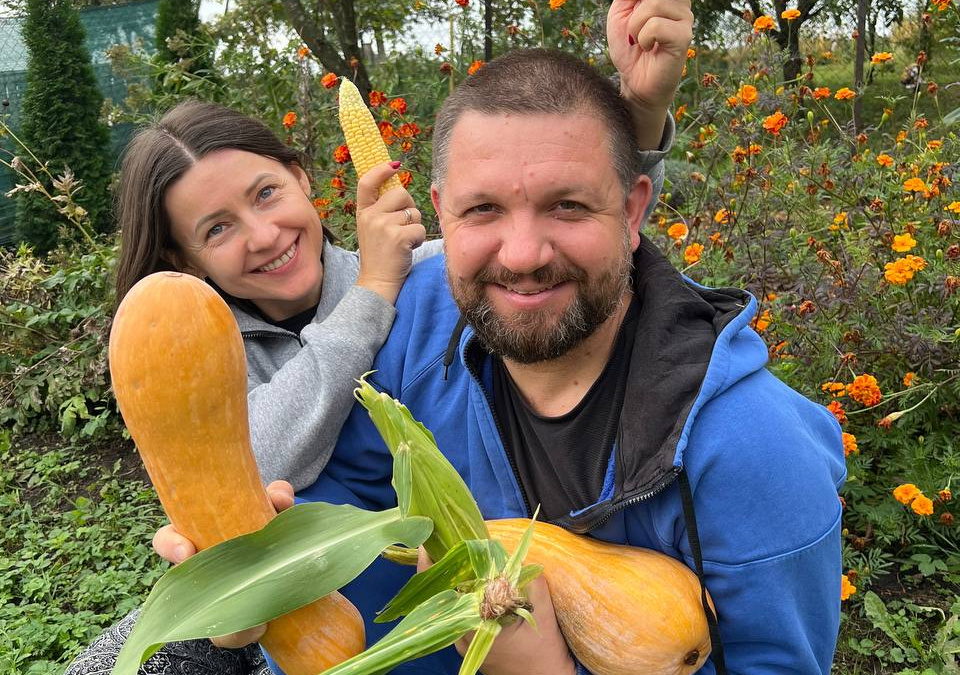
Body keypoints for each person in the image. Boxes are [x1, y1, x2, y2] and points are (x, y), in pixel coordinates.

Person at [67, 0, 691, 671]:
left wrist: (642, 113)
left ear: (302, 178)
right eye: (216, 229)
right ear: (184, 260)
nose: (264, 235)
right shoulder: (196, 348)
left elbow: (552, 257)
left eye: (266, 193)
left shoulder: (425, 276)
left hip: (472, 627)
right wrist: (371, 294)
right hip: (281, 624)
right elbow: (254, 467)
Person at [295, 42, 846, 675]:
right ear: (442, 209)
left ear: (633, 211)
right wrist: (276, 580)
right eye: (483, 209)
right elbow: (351, 504)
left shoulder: (756, 454)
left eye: (568, 206)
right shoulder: (422, 322)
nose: (523, 254)